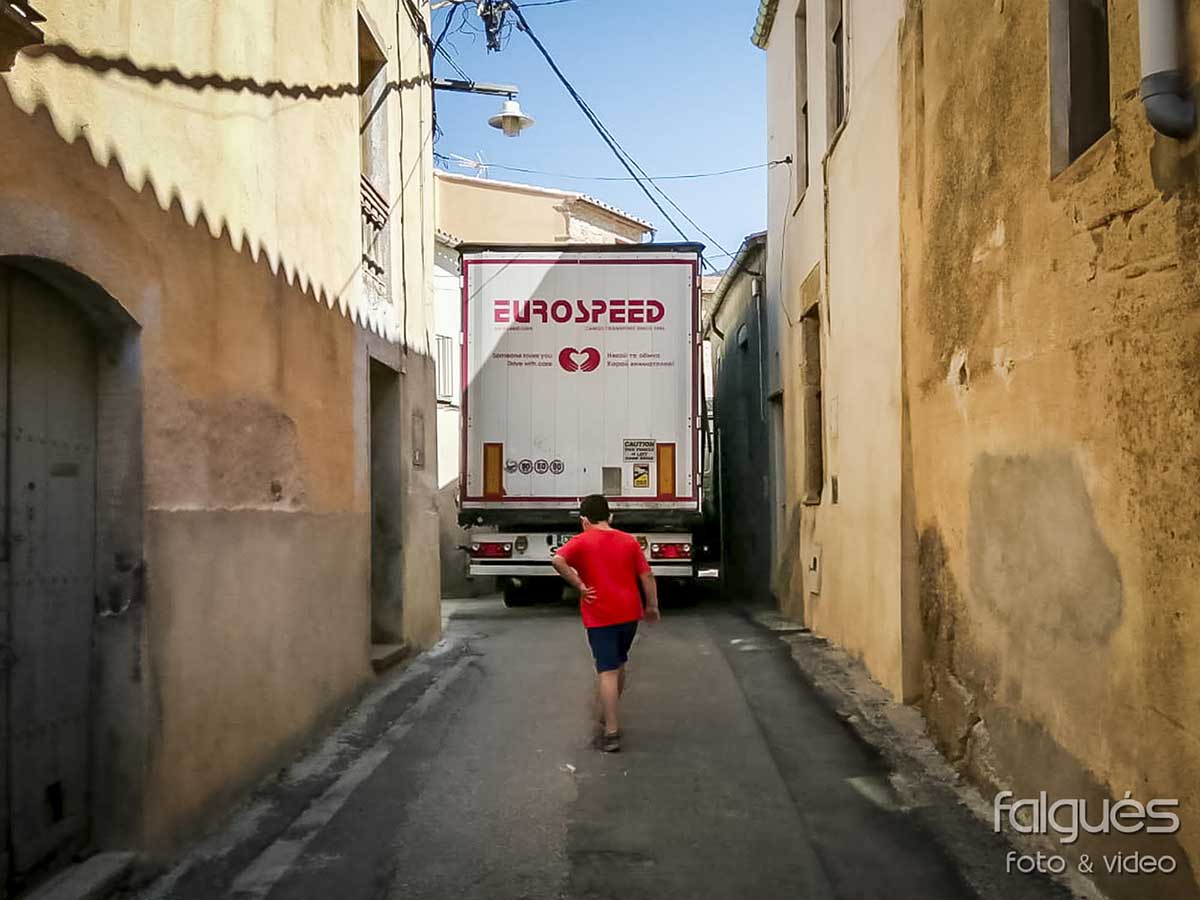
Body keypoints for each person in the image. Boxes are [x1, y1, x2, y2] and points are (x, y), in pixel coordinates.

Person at [552, 493, 660, 753]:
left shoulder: (581, 541)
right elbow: (647, 576)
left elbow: (557, 560)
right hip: (629, 613)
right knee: (619, 662)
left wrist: (579, 585)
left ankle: (611, 731)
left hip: (600, 613)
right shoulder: (628, 541)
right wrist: (652, 606)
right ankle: (607, 711)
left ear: (584, 520)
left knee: (607, 670)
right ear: (610, 516)